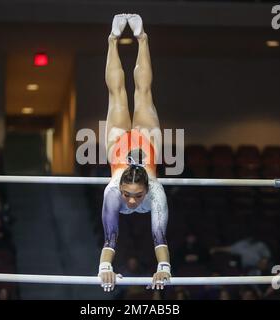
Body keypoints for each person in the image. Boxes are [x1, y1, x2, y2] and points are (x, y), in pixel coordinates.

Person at [98, 14, 171, 292]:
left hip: (119, 145)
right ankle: (120, 38)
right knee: (133, 92)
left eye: (136, 196)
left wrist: (163, 268)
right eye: (128, 195)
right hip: (146, 142)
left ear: (146, 189)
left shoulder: (155, 189)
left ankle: (134, 38)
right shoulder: (114, 191)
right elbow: (110, 238)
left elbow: (159, 236)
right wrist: (105, 268)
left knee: (125, 93)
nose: (129, 201)